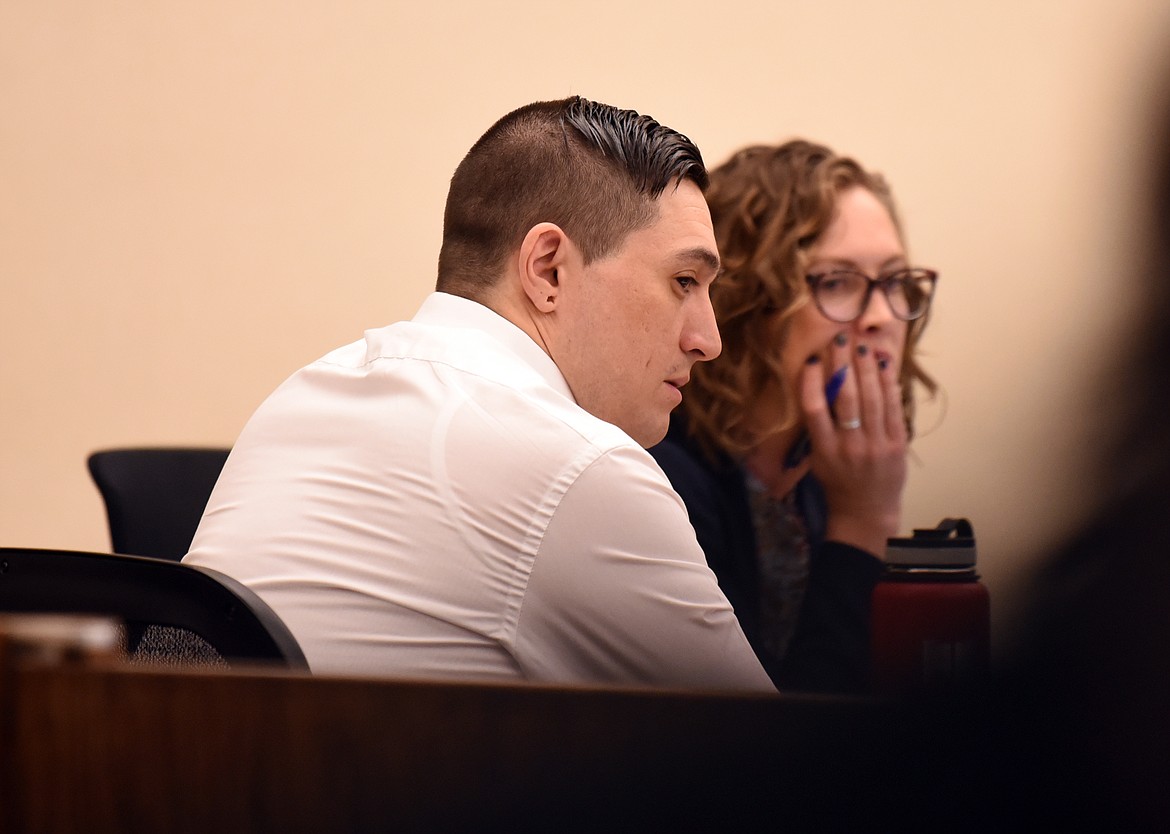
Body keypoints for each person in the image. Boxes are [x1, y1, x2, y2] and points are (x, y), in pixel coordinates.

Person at [183, 96, 775, 692]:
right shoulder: (578, 468)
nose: (708, 340)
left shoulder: (302, 394)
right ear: (547, 269)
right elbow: (782, 766)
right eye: (682, 282)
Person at [649, 140, 937, 692]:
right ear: (747, 302)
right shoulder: (664, 480)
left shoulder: (822, 476)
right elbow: (782, 752)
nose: (881, 318)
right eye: (836, 282)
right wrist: (864, 523)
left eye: (896, 282)